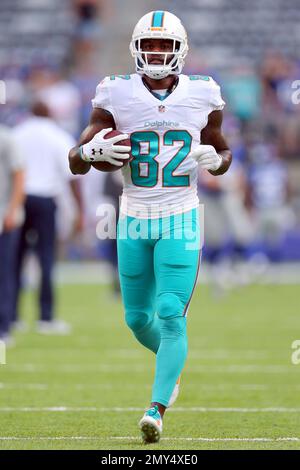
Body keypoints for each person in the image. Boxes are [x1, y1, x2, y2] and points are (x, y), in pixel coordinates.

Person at [69, 11, 232, 443]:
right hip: (133, 218)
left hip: (181, 216)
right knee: (137, 318)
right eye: (150, 45)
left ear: (179, 51)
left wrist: (218, 161)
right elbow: (75, 158)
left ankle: (155, 409)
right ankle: (171, 367)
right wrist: (89, 152)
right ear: (136, 49)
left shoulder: (204, 93)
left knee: (170, 313)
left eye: (164, 46)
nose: (157, 53)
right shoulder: (115, 92)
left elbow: (224, 151)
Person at [13, 102, 83, 334]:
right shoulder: (57, 135)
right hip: (45, 200)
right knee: (46, 259)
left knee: (14, 259)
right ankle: (46, 317)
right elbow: (72, 174)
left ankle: (11, 316)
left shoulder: (18, 133)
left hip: (20, 197)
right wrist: (79, 210)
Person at [0, 125, 24, 345]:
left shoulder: (6, 136)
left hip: (3, 217)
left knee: (4, 272)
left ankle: (3, 328)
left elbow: (19, 175)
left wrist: (12, 209)